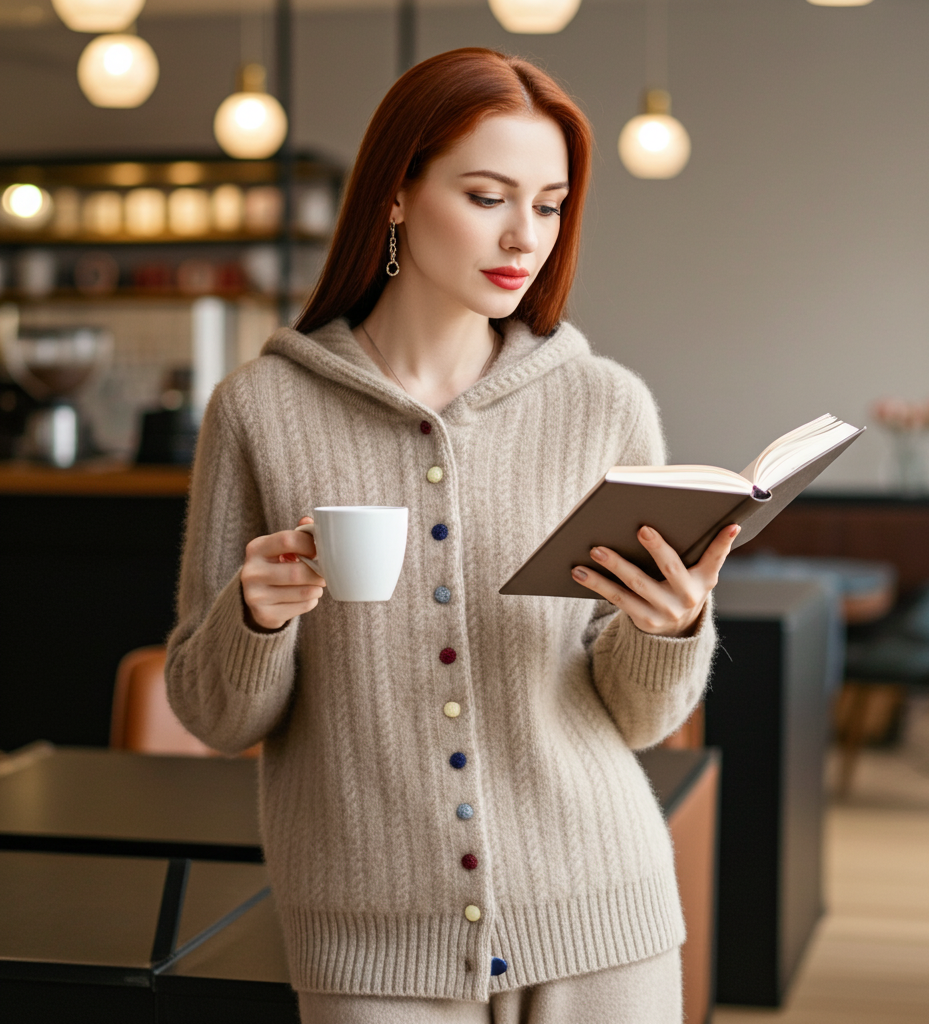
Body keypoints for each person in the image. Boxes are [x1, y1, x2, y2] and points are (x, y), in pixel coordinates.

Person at [166, 47, 737, 1024]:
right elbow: (217, 717)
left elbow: (638, 719)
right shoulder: (260, 408)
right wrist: (254, 619)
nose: (526, 235)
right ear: (395, 194)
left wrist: (668, 629)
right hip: (367, 938)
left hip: (602, 915)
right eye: (486, 195)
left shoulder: (603, 405)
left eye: (550, 204)